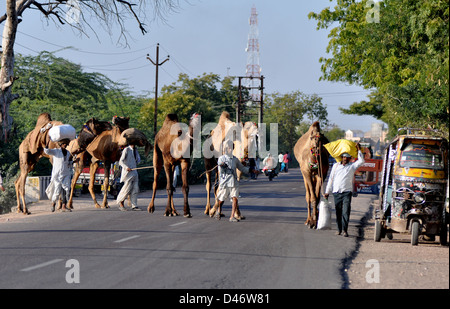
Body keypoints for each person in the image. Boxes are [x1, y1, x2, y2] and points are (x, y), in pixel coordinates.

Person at [210, 139, 257, 222]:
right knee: (221, 200)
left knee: (235, 198)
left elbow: (242, 168)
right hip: (224, 182)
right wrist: (222, 165)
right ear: (225, 149)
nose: (230, 149)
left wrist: (251, 170)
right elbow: (221, 168)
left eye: (231, 147)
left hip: (234, 182)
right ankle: (219, 211)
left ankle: (232, 217)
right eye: (228, 148)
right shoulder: (221, 159)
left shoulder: (235, 160)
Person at [324, 143, 365, 237]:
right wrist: (327, 191)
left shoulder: (352, 166)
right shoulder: (335, 166)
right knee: (338, 212)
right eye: (344, 157)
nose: (345, 159)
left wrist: (359, 150)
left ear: (350, 158)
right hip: (336, 192)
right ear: (341, 157)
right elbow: (331, 179)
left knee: (346, 212)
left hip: (347, 192)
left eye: (347, 157)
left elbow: (361, 161)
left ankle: (345, 230)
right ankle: (339, 229)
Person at [44, 138, 73, 212]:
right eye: (64, 144)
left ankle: (64, 206)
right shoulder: (56, 151)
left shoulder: (68, 153)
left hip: (66, 174)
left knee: (66, 190)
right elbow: (47, 151)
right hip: (57, 175)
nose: (65, 145)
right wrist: (47, 144)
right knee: (57, 191)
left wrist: (74, 161)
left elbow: (68, 164)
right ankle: (53, 204)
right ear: (61, 144)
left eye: (66, 144)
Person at [116, 143, 141, 211]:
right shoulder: (126, 150)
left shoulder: (135, 150)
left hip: (135, 172)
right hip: (128, 173)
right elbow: (121, 161)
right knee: (127, 189)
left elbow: (138, 160)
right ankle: (121, 203)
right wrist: (126, 167)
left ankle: (134, 205)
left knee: (135, 189)